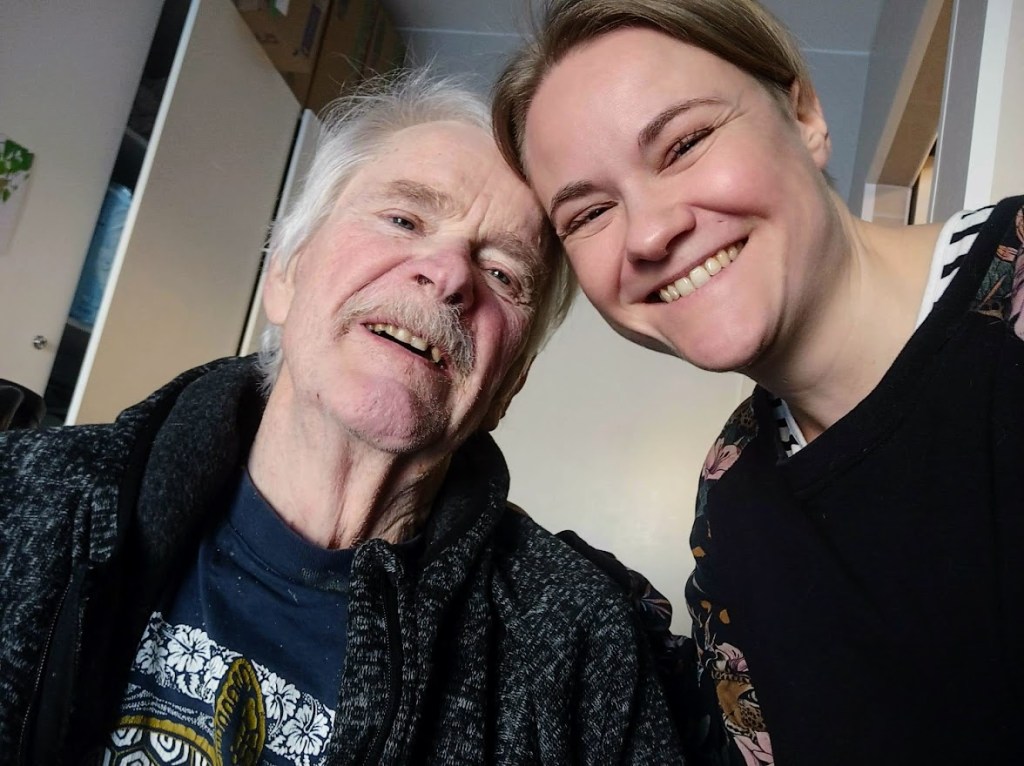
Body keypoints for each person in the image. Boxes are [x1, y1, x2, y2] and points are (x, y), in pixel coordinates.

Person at [0, 71, 687, 765]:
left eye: (504, 274)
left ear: (508, 384)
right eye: (404, 220)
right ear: (286, 273)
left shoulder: (579, 650)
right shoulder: (22, 496)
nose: (450, 274)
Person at [493, 2, 1024, 764]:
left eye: (684, 144)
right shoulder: (730, 498)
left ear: (804, 115)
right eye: (590, 212)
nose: (650, 233)